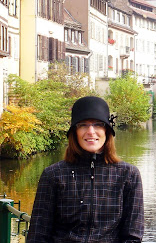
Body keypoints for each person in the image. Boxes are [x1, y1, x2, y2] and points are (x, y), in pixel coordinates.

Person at [27, 96, 144, 243]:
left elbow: (132, 236)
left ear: (107, 131)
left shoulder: (128, 175)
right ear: (74, 132)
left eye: (98, 125)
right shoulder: (54, 175)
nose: (91, 131)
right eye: (83, 125)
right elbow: (38, 234)